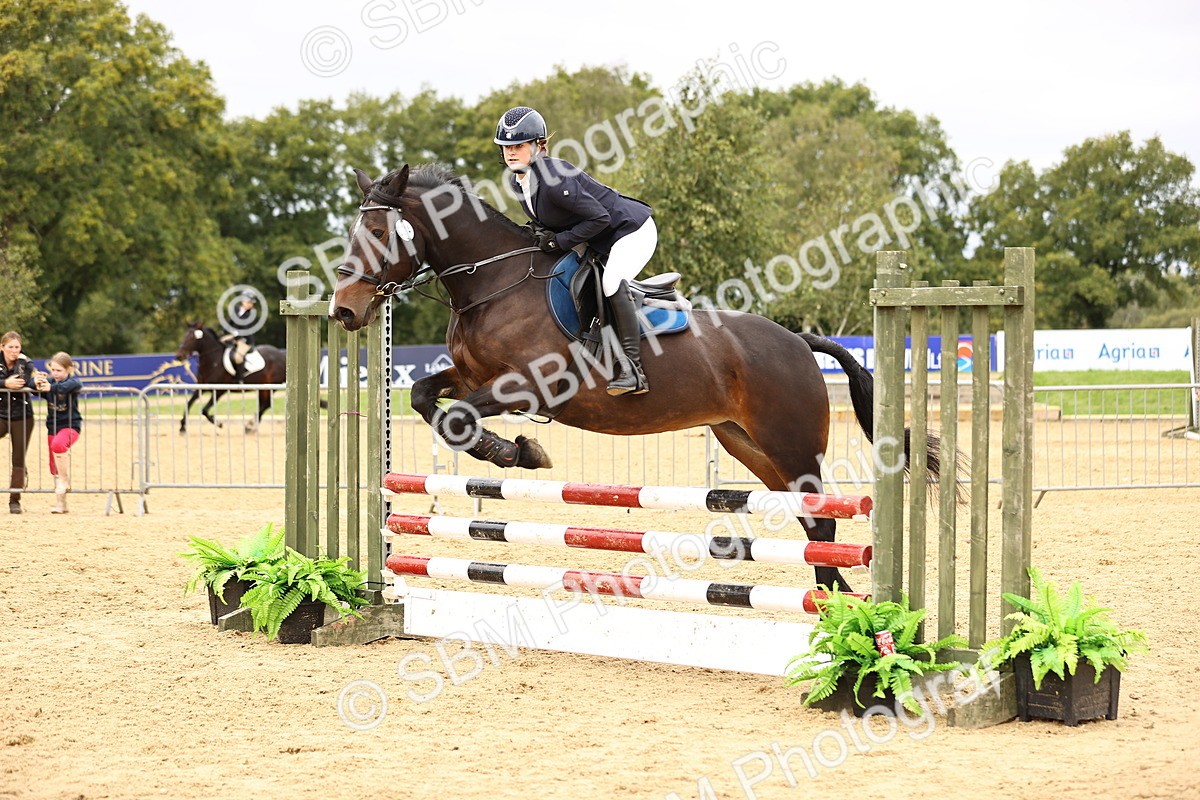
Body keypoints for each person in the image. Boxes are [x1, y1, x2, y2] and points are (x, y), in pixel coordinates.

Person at [495, 105, 656, 396]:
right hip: (598, 239)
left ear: (539, 145)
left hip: (631, 231)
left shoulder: (556, 180)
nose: (511, 152)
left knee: (610, 283)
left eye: (518, 145)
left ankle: (633, 370)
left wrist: (558, 241)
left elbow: (600, 218)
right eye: (506, 146)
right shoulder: (518, 182)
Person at [35, 352, 82, 514]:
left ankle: (65, 480)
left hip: (70, 426)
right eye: (53, 370)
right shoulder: (50, 381)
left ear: (69, 369)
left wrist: (51, 387)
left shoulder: (72, 381)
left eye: (59, 370)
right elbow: (36, 389)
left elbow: (72, 386)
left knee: (58, 444)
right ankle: (61, 503)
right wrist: (37, 381)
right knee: (53, 466)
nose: (55, 374)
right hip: (52, 427)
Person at [0, 331, 36, 513]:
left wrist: (39, 383)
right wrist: (5, 383)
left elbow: (28, 380)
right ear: (2, 347)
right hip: (1, 413)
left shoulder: (25, 363)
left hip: (22, 414)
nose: (14, 351)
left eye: (17, 347)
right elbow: (8, 383)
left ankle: (15, 499)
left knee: (18, 457)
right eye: (10, 347)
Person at [221, 293, 257, 382]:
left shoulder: (251, 314)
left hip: (245, 340)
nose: (250, 305)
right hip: (234, 337)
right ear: (243, 301)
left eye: (251, 303)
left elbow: (246, 328)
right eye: (248, 302)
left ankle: (239, 379)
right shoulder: (237, 310)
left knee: (238, 357)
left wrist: (235, 333)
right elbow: (230, 322)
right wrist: (224, 330)